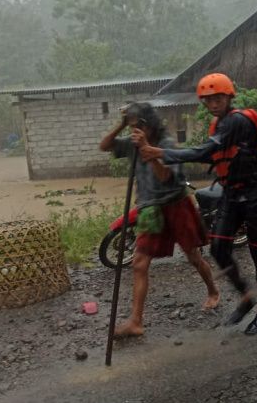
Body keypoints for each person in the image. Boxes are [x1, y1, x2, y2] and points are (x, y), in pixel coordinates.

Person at [138, 73, 257, 335]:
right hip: (232, 193)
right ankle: (246, 297)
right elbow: (211, 156)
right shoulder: (218, 125)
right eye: (208, 100)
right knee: (219, 249)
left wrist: (160, 152)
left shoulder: (236, 121)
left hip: (256, 195)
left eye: (218, 98)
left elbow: (203, 152)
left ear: (229, 97)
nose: (213, 104)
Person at [99, 102, 220, 337]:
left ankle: (213, 291)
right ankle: (136, 321)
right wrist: (121, 125)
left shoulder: (166, 145)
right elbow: (104, 146)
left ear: (150, 125)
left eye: (138, 125)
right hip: (150, 209)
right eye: (132, 126)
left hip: (176, 206)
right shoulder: (133, 143)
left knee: (193, 257)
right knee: (139, 263)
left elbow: (165, 176)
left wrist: (148, 150)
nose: (136, 130)